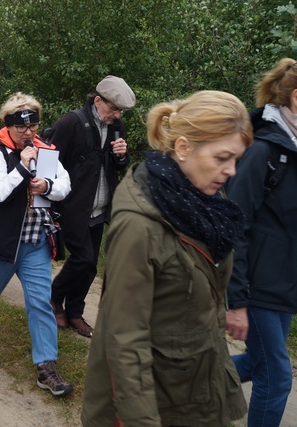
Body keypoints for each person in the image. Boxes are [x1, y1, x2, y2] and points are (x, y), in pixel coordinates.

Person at [81, 90, 251, 426]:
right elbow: (124, 341)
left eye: (236, 160)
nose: (231, 171)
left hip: (196, 392)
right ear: (184, 148)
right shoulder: (140, 225)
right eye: (222, 158)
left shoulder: (203, 204)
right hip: (155, 405)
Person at [0, 93, 73, 396]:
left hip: (35, 241)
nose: (28, 133)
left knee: (40, 303)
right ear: (7, 124)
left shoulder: (46, 152)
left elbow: (65, 185)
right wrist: (23, 170)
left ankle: (47, 367)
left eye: (34, 126)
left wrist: (48, 185)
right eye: (22, 127)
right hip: (2, 241)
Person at [225, 58, 297, 427]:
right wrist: (235, 300)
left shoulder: (293, 148)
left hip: (282, 284)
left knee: (258, 362)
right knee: (278, 375)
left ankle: (180, 386)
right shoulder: (263, 150)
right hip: (256, 286)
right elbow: (234, 224)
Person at [47, 75, 136, 337]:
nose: (117, 115)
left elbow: (116, 167)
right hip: (72, 206)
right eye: (113, 108)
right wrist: (48, 199)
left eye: (120, 111)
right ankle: (53, 298)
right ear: (97, 100)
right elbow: (48, 161)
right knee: (83, 258)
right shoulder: (70, 123)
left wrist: (122, 156)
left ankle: (74, 312)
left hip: (99, 207)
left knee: (90, 265)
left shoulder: (116, 126)